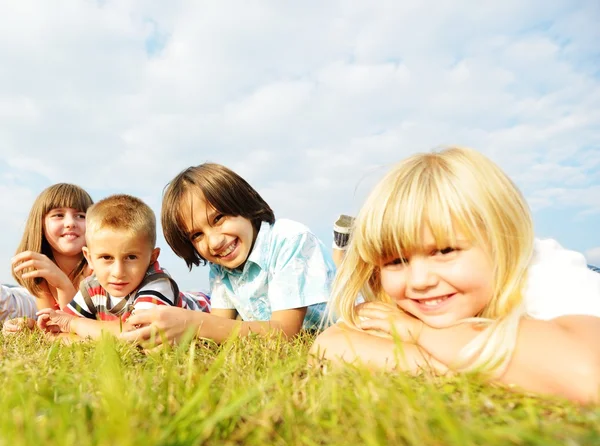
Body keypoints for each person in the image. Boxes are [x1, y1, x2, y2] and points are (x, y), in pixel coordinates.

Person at [312, 147, 600, 403]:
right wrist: (464, 368)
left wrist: (419, 333)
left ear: (506, 242)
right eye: (396, 260)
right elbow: (330, 346)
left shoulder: (544, 272)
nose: (419, 281)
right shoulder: (405, 296)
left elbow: (589, 375)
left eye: (446, 251)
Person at [120, 163, 335, 345]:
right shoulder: (221, 268)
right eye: (197, 235)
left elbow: (286, 332)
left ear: (243, 202)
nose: (214, 242)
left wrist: (191, 322)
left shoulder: (290, 239)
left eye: (218, 218)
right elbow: (220, 327)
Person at [36, 194, 210, 340]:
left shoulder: (157, 283)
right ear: (89, 258)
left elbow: (137, 334)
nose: (118, 272)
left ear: (152, 258)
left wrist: (73, 324)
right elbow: (64, 324)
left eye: (131, 257)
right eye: (106, 257)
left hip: (205, 304)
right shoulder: (92, 286)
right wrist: (42, 324)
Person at [2, 183, 93, 334]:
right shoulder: (42, 274)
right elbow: (51, 327)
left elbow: (74, 326)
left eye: (81, 216)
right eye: (58, 215)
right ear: (40, 224)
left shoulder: (98, 270)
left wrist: (62, 284)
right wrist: (28, 324)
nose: (70, 223)